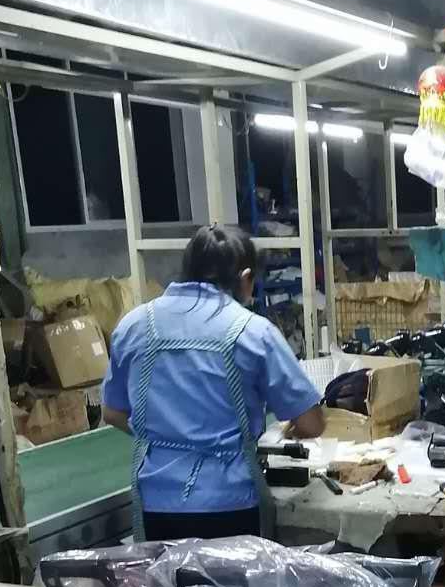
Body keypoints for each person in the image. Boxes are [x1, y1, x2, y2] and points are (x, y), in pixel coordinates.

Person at [102, 223, 325, 541]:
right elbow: (312, 423)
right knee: (233, 577)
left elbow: (113, 413)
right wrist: (291, 429)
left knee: (167, 574)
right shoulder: (254, 332)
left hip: (156, 503)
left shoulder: (134, 326)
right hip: (231, 502)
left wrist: (167, 438)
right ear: (245, 278)